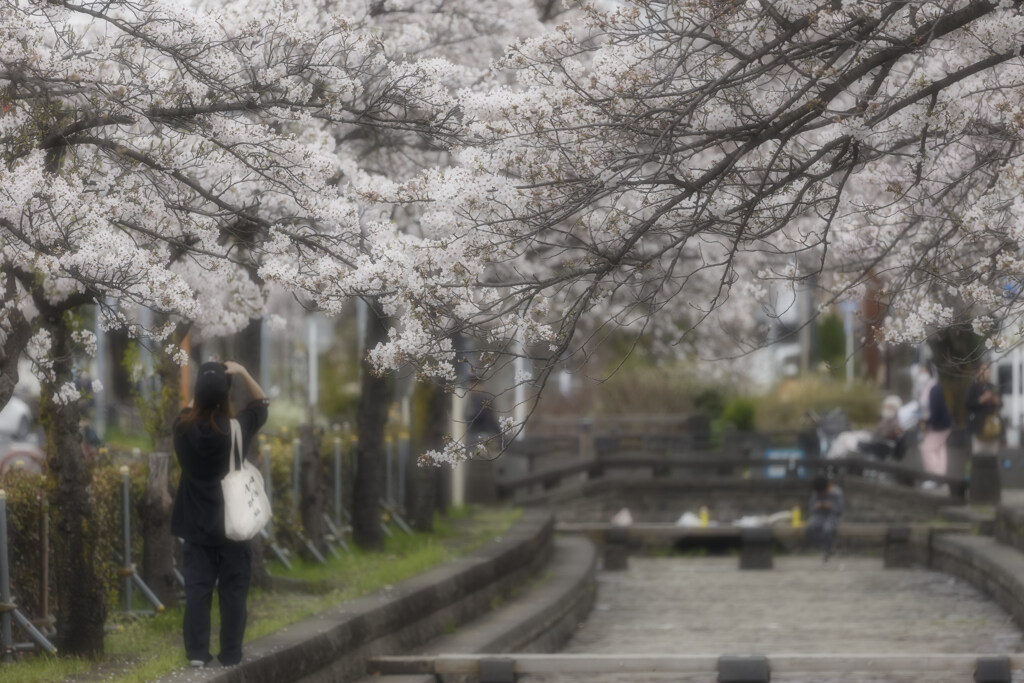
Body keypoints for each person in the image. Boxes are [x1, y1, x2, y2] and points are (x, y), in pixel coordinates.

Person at [171, 361, 269, 668]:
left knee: (197, 591)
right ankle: (230, 654)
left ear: (198, 395)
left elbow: (188, 409)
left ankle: (197, 654)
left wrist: (202, 391)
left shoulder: (182, 428)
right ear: (226, 395)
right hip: (234, 524)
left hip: (196, 524)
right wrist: (241, 372)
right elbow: (261, 403)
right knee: (234, 591)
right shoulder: (238, 429)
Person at [918, 363, 952, 484]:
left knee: (926, 449)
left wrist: (927, 423)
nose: (920, 374)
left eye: (922, 370)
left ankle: (934, 476)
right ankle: (940, 477)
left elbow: (935, 409)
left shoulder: (933, 388)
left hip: (939, 425)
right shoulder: (928, 387)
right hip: (940, 424)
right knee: (939, 450)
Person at [966, 362, 1001, 455]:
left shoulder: (992, 387)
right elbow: (968, 404)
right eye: (984, 370)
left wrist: (995, 401)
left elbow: (1000, 404)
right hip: (978, 428)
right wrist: (982, 399)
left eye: (989, 370)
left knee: (992, 456)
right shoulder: (973, 386)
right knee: (978, 456)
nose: (987, 373)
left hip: (992, 428)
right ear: (978, 372)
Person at [805, 474, 843, 561]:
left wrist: (830, 506)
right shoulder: (816, 492)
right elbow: (811, 507)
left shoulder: (837, 492)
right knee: (810, 527)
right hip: (819, 515)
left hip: (832, 516)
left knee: (827, 529)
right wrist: (817, 506)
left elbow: (840, 510)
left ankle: (827, 550)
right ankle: (825, 547)